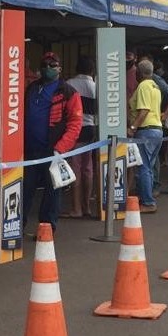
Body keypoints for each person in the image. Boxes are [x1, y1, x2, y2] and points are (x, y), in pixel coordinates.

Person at [23, 52, 83, 232]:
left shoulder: (68, 92)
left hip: (53, 151)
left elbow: (75, 123)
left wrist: (61, 148)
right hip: (29, 151)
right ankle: (16, 228)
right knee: (24, 191)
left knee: (52, 193)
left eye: (52, 64)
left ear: (59, 68)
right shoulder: (32, 87)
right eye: (44, 64)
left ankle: (46, 231)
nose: (48, 67)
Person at [127, 59, 163, 211]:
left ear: (139, 73)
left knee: (143, 168)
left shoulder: (143, 86)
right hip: (157, 130)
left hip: (145, 130)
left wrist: (133, 127)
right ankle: (146, 197)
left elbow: (144, 110)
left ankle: (148, 202)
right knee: (149, 167)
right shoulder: (156, 86)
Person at [64, 55, 97, 218]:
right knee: (88, 168)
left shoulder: (69, 84)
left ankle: (76, 208)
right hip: (90, 129)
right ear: (92, 69)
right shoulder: (95, 86)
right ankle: (87, 207)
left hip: (75, 130)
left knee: (75, 167)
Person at [143, 57, 168, 193]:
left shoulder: (155, 79)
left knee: (151, 158)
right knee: (149, 158)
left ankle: (154, 185)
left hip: (150, 124)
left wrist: (165, 113)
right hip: (150, 124)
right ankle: (147, 187)